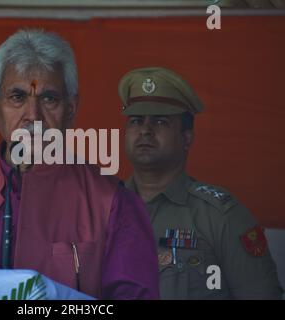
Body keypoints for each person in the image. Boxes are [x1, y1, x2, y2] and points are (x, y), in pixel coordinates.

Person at [0, 29, 159, 300]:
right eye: (18, 97)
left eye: (49, 99)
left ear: (70, 110)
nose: (33, 115)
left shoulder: (113, 203)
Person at [119, 66, 283, 299]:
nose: (145, 130)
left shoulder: (221, 217)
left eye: (161, 122)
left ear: (187, 138)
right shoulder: (103, 209)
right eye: (136, 120)